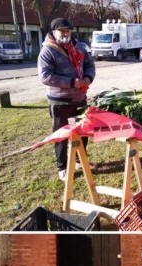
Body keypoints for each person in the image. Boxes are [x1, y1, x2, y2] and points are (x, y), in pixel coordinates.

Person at [38, 18, 96, 181]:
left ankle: (80, 160)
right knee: (62, 135)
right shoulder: (48, 51)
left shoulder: (79, 47)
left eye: (68, 31)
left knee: (82, 131)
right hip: (60, 101)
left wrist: (88, 77)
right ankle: (62, 167)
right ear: (54, 32)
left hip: (79, 99)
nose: (66, 34)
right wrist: (72, 82)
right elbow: (45, 76)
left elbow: (90, 65)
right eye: (62, 31)